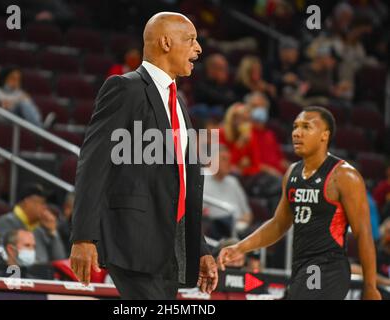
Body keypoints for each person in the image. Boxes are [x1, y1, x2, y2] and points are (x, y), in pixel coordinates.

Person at [70, 12, 218, 299]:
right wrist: (83, 237)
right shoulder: (125, 88)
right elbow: (93, 162)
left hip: (172, 244)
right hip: (133, 240)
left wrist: (199, 249)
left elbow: (181, 185)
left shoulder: (179, 102)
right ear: (165, 42)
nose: (198, 49)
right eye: (191, 40)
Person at [218, 106, 381, 300]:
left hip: (327, 267)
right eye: (295, 126)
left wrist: (370, 287)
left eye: (306, 127)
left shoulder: (344, 175)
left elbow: (363, 233)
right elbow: (279, 224)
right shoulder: (292, 172)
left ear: (324, 135)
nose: (297, 133)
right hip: (301, 266)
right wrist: (240, 247)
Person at [0, 184, 66, 264]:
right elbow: (7, 257)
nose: (45, 208)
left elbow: (60, 261)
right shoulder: (6, 223)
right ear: (27, 202)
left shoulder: (40, 229)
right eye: (41, 203)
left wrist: (53, 232)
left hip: (40, 275)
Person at [203, 145, 252, 240]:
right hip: (217, 227)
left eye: (229, 160)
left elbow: (247, 212)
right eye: (223, 159)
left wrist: (244, 221)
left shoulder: (233, 181)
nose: (228, 163)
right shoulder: (202, 181)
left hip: (239, 227)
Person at [245, 91, 288, 177]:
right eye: (255, 106)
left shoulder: (270, 134)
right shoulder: (245, 133)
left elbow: (281, 160)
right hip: (261, 177)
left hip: (278, 176)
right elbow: (246, 164)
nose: (259, 110)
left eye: (262, 107)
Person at [219, 103, 261, 176]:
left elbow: (256, 166)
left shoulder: (250, 136)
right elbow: (223, 164)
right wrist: (238, 146)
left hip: (245, 175)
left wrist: (243, 170)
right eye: (242, 119)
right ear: (232, 119)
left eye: (248, 120)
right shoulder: (221, 133)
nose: (246, 123)